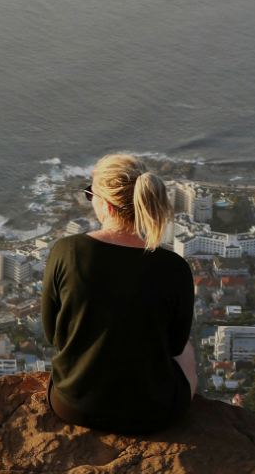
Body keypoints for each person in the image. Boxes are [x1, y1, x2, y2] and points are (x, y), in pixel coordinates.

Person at [40, 154, 197, 435]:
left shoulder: (67, 251)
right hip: (153, 414)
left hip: (72, 406)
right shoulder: (175, 268)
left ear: (107, 206)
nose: (91, 201)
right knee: (187, 351)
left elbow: (54, 335)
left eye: (91, 194)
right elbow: (174, 347)